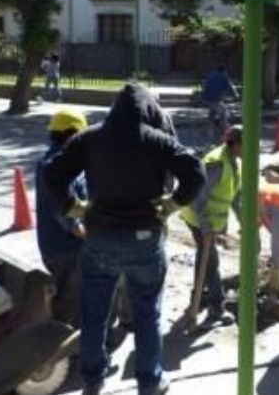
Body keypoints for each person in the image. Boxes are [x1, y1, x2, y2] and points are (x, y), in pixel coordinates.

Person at [43, 84, 206, 395]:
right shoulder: (156, 140)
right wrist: (172, 204)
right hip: (145, 240)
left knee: (95, 312)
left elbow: (52, 173)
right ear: (147, 111)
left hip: (100, 238)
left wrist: (73, 207)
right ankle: (149, 382)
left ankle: (93, 381)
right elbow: (195, 171)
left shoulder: (89, 138)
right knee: (146, 313)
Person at [180, 125, 243, 327]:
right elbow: (198, 196)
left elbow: (235, 196)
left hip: (209, 221)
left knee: (204, 259)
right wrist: (206, 226)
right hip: (199, 219)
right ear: (235, 144)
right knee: (211, 262)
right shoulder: (216, 163)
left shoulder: (234, 162)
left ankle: (196, 301)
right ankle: (216, 310)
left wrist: (244, 222)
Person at [35, 109, 88, 326]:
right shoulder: (60, 167)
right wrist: (91, 234)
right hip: (67, 250)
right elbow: (67, 216)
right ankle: (69, 351)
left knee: (70, 299)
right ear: (72, 134)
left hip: (53, 245)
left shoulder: (49, 160)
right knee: (70, 305)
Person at [201, 66, 239, 142]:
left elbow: (205, 86)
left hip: (207, 99)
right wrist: (236, 96)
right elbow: (231, 89)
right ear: (224, 71)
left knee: (212, 115)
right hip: (216, 100)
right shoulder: (224, 77)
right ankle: (228, 137)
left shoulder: (211, 75)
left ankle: (210, 137)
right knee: (224, 115)